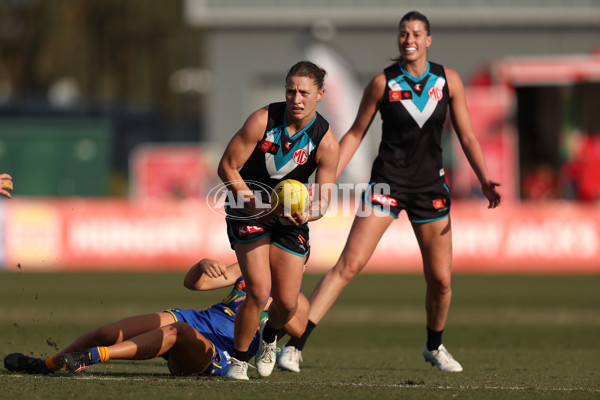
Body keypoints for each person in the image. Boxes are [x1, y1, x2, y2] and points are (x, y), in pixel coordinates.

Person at [277, 11, 502, 373]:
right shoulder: (382, 82)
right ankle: (294, 346)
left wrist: (484, 177)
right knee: (347, 266)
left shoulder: (449, 81)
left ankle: (434, 345)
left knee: (441, 282)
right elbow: (354, 134)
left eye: (416, 33)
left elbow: (468, 135)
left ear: (429, 40)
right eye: (403, 33)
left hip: (431, 188)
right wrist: (327, 176)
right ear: (398, 40)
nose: (409, 39)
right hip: (386, 185)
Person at [217, 61, 339, 380]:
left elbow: (323, 202)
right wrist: (256, 204)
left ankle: (270, 337)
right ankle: (239, 362)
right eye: (291, 91)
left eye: (304, 93)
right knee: (258, 291)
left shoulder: (325, 140)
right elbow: (227, 167)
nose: (296, 99)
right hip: (248, 211)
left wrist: (306, 213)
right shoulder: (262, 120)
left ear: (320, 95)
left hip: (289, 220)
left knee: (285, 303)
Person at [3, 258, 309, 377]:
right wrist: (202, 265)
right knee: (108, 331)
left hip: (220, 352)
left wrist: (276, 295)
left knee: (178, 331)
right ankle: (46, 365)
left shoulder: (294, 299)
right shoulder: (246, 271)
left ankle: (93, 357)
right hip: (196, 318)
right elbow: (194, 284)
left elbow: (295, 326)